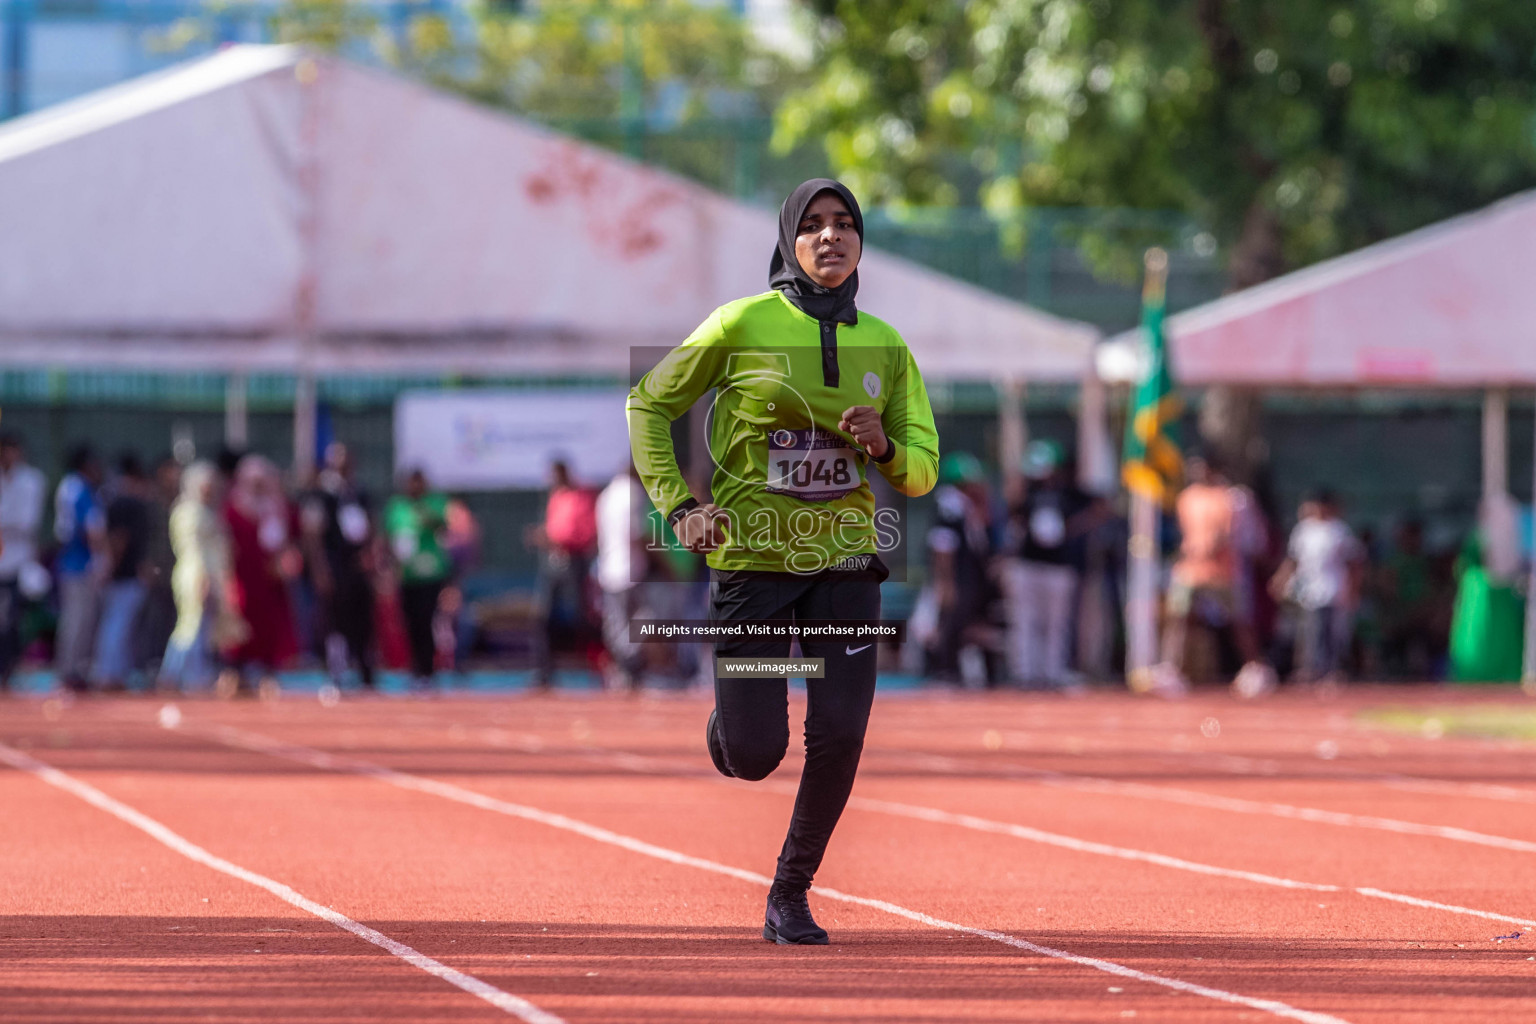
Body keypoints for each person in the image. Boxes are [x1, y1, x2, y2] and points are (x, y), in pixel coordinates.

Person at [628, 178, 939, 945]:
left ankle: (789, 893)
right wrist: (681, 507)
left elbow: (923, 468)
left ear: (860, 241)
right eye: (813, 226)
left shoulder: (888, 346)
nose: (830, 238)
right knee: (758, 750)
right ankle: (729, 729)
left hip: (845, 566)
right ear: (787, 242)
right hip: (753, 567)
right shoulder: (740, 324)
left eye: (844, 225)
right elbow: (648, 404)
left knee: (840, 732)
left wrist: (884, 447)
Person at [1158, 456, 1271, 696]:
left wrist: (1210, 549)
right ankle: (1170, 669)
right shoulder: (1187, 498)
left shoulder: (1231, 498)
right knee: (1178, 619)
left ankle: (1255, 668)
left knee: (1239, 621)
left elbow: (1229, 533)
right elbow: (1186, 532)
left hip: (1223, 571)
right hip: (1190, 569)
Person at [1000, 440, 1094, 688]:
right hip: (1028, 565)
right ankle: (1025, 673)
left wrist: (1073, 529)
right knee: (1025, 620)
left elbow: (1100, 507)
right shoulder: (1026, 492)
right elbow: (1012, 513)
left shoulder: (1069, 492)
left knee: (1057, 623)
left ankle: (1053, 672)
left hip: (1059, 567)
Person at [302, 442, 377, 690]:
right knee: (334, 620)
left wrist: (372, 557)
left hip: (358, 566)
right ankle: (337, 670)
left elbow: (371, 527)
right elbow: (312, 534)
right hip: (335, 564)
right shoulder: (321, 494)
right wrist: (320, 568)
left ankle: (366, 672)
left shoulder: (359, 492)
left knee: (363, 620)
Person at [1271, 489, 1364, 684]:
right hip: (1308, 591)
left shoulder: (1339, 530)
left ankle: (1331, 670)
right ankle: (1310, 668)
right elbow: (1293, 559)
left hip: (1333, 589)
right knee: (1308, 631)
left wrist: (1353, 589)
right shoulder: (1303, 530)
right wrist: (1280, 579)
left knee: (1330, 632)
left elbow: (1354, 563)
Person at [224, 455, 300, 694]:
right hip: (243, 577)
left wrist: (287, 560)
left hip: (270, 579)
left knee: (272, 626)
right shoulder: (233, 508)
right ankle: (235, 672)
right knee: (240, 625)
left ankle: (269, 673)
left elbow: (290, 539)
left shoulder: (277, 508)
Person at [161, 462, 240, 692]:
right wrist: (202, 579)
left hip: (209, 576)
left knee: (203, 629)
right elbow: (194, 549)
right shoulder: (188, 512)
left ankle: (193, 673)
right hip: (195, 575)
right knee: (190, 626)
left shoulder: (206, 511)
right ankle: (174, 673)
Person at [924, 451, 1001, 685]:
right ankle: (945, 671)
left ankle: (973, 674)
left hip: (972, 574)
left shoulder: (971, 505)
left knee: (976, 623)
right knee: (952, 622)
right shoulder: (949, 504)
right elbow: (943, 545)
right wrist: (946, 582)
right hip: (959, 574)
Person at [527, 459, 598, 688]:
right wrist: (543, 536)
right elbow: (553, 529)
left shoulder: (580, 498)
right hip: (552, 562)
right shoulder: (555, 498)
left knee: (582, 616)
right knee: (542, 616)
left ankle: (602, 664)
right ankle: (544, 672)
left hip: (574, 562)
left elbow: (584, 533)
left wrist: (556, 538)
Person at [383, 468, 453, 691]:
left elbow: (442, 526)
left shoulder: (434, 502)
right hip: (407, 574)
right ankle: (414, 669)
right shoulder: (397, 507)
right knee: (410, 623)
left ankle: (428, 670)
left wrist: (422, 512)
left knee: (426, 621)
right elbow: (389, 538)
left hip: (430, 573)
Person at [92, 454, 152, 691]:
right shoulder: (129, 503)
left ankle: (112, 673)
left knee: (114, 625)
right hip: (125, 574)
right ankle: (109, 674)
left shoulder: (112, 500)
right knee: (118, 626)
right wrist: (111, 566)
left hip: (120, 572)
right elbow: (120, 539)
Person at [52, 444, 105, 692]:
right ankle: (71, 670)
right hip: (79, 563)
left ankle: (71, 669)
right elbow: (92, 529)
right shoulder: (80, 488)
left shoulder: (68, 486)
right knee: (79, 619)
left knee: (76, 619)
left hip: (71, 561)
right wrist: (101, 559)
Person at [0, 432, 46, 691]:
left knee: (12, 619)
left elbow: (27, 522)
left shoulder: (31, 481)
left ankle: (8, 668)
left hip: (16, 562)